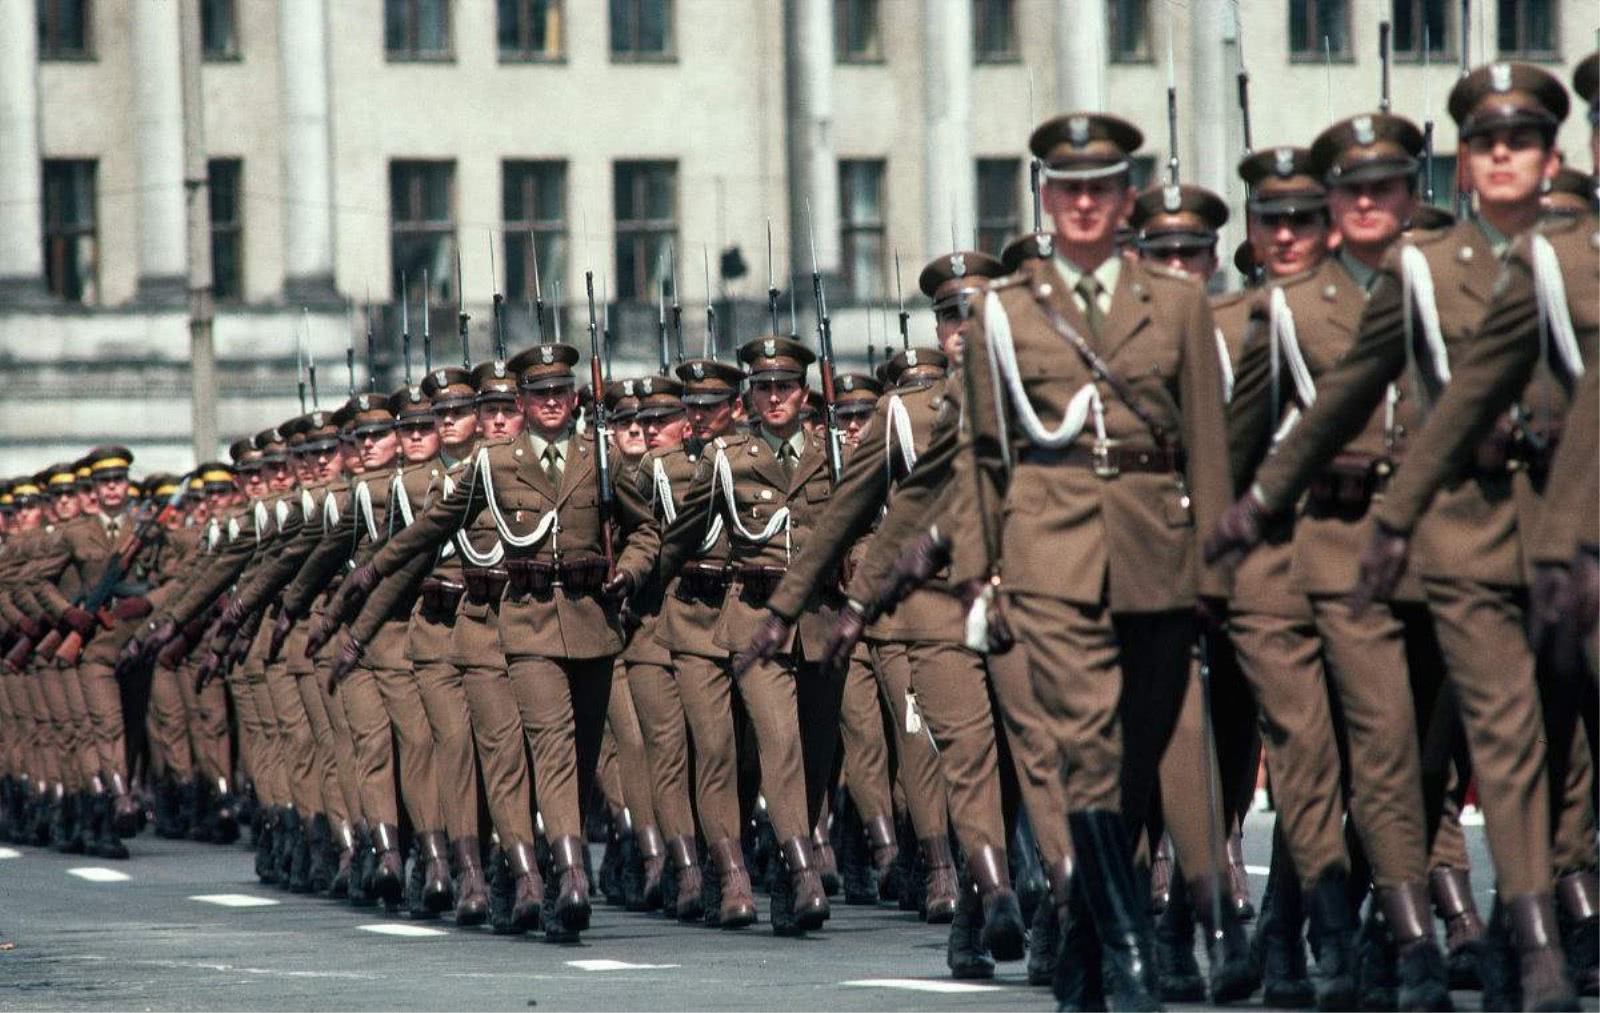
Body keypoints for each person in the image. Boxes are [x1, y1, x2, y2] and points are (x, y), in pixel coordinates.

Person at [1207, 62, 1577, 1010]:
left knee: (1441, 757)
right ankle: (1398, 932)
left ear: (1417, 189)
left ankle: (1457, 921)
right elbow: (1264, 434)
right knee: (1362, 748)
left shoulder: (1527, 259)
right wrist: (1224, 526)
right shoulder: (1310, 304)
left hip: (1500, 530)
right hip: (1348, 545)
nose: (1367, 206)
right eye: (1351, 192)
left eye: (1387, 188)